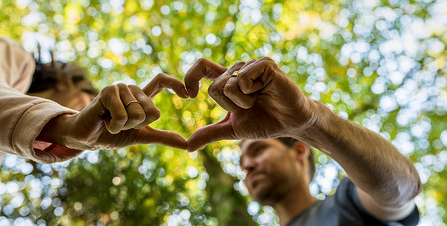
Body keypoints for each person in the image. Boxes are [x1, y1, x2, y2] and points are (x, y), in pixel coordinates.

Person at [184, 57, 422, 226]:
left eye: (258, 150)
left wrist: (310, 123)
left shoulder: (347, 206)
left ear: (299, 151)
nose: (247, 166)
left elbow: (403, 188)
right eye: (242, 163)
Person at [0, 37, 188, 164]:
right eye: (90, 101)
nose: (85, 112)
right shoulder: (17, 56)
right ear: (64, 81)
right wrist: (65, 127)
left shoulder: (7, 149)